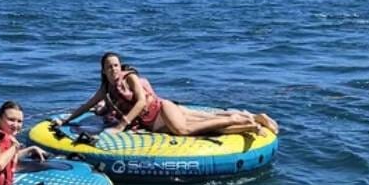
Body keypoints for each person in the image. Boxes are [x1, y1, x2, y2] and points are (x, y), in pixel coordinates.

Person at [52, 52, 279, 137]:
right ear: (103, 70)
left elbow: (141, 101)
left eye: (116, 65)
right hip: (153, 124)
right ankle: (252, 121)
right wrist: (66, 120)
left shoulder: (129, 78)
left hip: (160, 111)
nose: (114, 69)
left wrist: (122, 125)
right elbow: (86, 105)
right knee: (209, 126)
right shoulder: (105, 89)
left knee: (184, 130)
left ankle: (243, 119)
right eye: (109, 66)